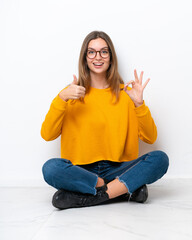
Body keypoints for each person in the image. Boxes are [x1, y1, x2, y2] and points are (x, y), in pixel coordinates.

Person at [41, 31, 169, 210]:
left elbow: (150, 138)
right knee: (51, 168)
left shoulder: (127, 94)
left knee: (160, 159)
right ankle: (122, 189)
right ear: (85, 58)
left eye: (104, 51)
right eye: (91, 52)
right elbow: (47, 134)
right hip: (82, 171)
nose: (98, 57)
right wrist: (61, 99)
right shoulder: (71, 93)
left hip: (118, 168)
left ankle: (93, 196)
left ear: (111, 57)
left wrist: (139, 104)